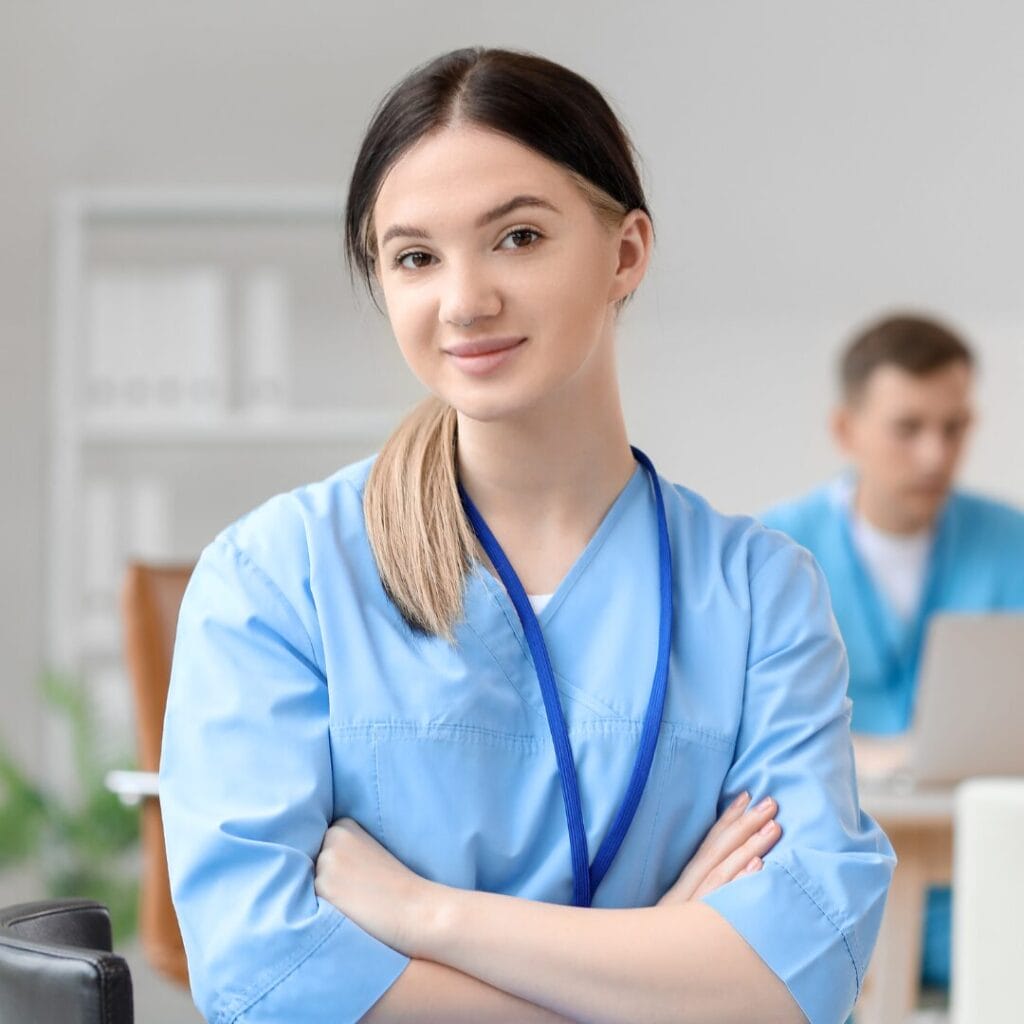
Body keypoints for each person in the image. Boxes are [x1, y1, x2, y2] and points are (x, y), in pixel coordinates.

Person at [160, 48, 894, 1024]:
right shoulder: (275, 579)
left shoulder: (759, 592)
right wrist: (662, 968)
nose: (464, 300)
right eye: (414, 256)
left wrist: (428, 914)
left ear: (625, 252)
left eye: (516, 237)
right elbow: (266, 980)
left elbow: (801, 971)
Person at [760, 312, 1024, 988]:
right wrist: (869, 756)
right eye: (908, 428)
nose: (936, 454)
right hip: (821, 873)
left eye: (954, 426)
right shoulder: (771, 552)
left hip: (983, 861)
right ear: (847, 430)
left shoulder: (1011, 541)